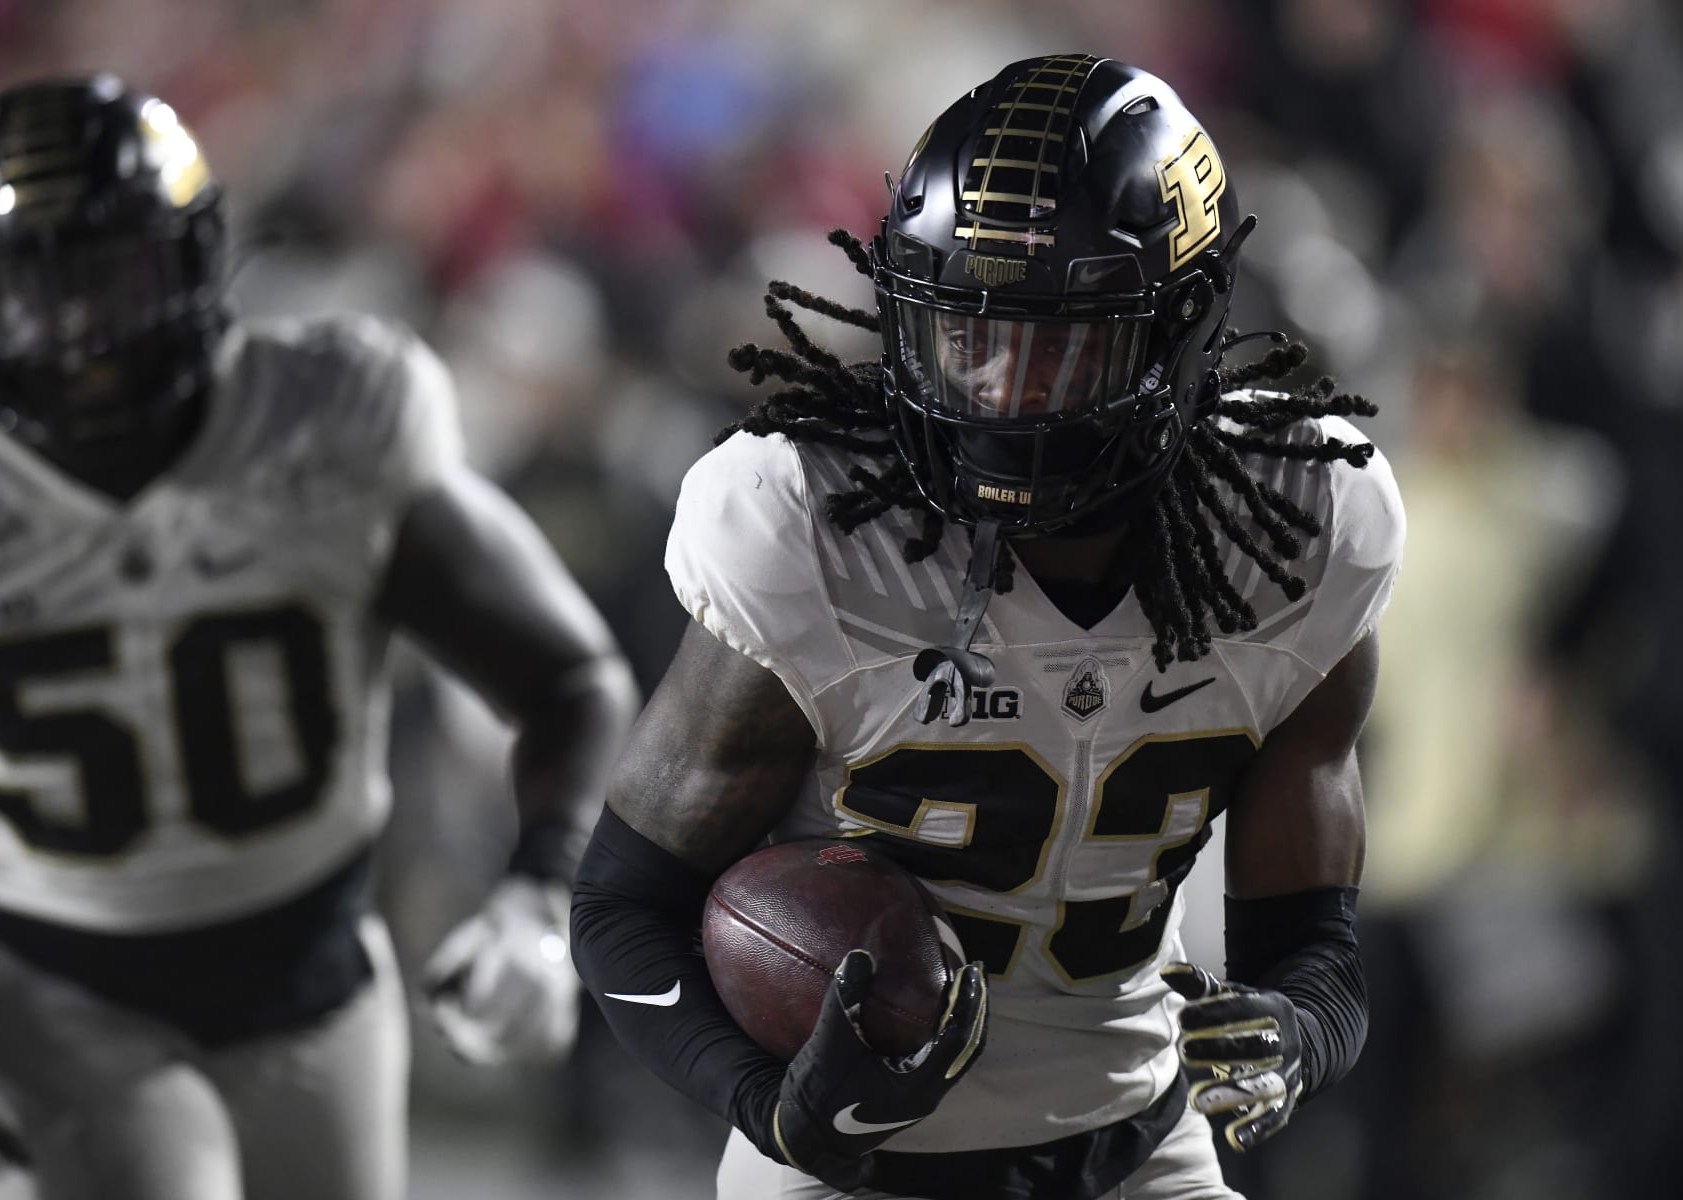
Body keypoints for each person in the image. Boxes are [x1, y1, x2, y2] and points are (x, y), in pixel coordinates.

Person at [571, 52, 1403, 1200]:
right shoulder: (811, 523)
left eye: (1058, 341)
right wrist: (771, 1107)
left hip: (1139, 1143)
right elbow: (624, 907)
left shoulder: (1302, 519)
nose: (1000, 390)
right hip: (852, 1176)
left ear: (1182, 328)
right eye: (967, 332)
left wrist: (1298, 1031)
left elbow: (1316, 946)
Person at [0, 75, 638, 1200]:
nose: (85, 336)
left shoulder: (328, 418)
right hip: (39, 988)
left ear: (194, 260)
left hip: (308, 979)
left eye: (115, 280)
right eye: (43, 293)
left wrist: (541, 892)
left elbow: (569, 677)